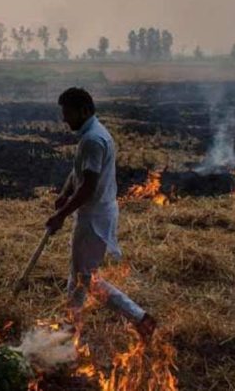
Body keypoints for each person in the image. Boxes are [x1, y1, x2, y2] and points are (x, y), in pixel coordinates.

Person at [45, 87, 156, 341]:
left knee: (86, 279)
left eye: (68, 113)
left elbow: (88, 187)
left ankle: (139, 317)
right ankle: (69, 329)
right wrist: (64, 194)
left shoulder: (93, 140)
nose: (64, 119)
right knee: (80, 277)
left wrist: (61, 214)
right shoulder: (92, 135)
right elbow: (78, 174)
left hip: (93, 217)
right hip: (94, 213)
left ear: (83, 111)